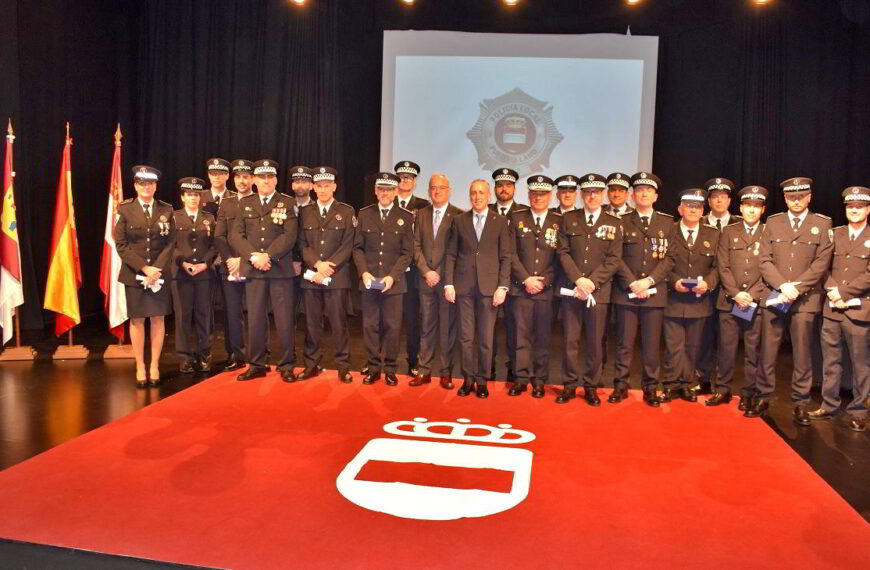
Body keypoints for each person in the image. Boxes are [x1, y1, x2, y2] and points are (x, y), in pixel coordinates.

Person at [751, 177, 833, 423]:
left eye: (801, 196)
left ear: (809, 197)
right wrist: (782, 285)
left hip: (805, 299)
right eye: (791, 197)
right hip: (776, 295)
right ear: (785, 198)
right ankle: (763, 396)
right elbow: (764, 259)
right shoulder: (773, 223)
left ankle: (800, 402)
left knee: (802, 352)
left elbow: (822, 262)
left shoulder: (822, 223)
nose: (796, 201)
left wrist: (797, 288)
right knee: (768, 350)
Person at [557, 173, 623, 405]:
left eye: (596, 192)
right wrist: (578, 279)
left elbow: (614, 259)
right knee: (570, 341)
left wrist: (591, 282)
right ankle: (569, 384)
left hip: (598, 292)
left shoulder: (615, 223)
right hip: (572, 291)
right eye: (587, 192)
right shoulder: (569, 219)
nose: (592, 196)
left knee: (595, 342)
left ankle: (591, 386)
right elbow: (562, 252)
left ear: (603, 194)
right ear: (582, 195)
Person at [229, 160, 298, 382]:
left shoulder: (287, 202)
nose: (266, 181)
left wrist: (268, 256)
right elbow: (236, 235)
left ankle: (286, 364)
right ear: (255, 180)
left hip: (278, 268)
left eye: (270, 177)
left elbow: (289, 235)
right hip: (254, 269)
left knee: (284, 319)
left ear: (276, 180)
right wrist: (253, 256)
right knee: (255, 318)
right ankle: (257, 364)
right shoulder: (245, 203)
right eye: (262, 178)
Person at [809, 186, 870, 432]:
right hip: (832, 307)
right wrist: (832, 290)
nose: (854, 211)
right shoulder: (835, 234)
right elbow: (822, 265)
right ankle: (829, 404)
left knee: (860, 363)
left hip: (858, 309)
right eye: (850, 207)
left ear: (867, 209)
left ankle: (859, 410)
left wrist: (844, 293)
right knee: (831, 360)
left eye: (859, 207)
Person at [610, 172, 674, 406]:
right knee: (624, 343)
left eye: (648, 190)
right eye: (639, 190)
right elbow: (615, 256)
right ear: (632, 195)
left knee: (651, 344)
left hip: (654, 294)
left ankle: (650, 388)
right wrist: (632, 282)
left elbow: (670, 258)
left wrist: (648, 282)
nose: (644, 194)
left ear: (656, 196)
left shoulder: (668, 223)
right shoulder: (621, 221)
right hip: (626, 292)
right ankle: (620, 385)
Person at [444, 179, 511, 398]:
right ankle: (468, 379)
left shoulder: (499, 221)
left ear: (489, 195)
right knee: (465, 337)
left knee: (485, 337)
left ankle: (482, 380)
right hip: (463, 286)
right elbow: (452, 254)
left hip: (489, 288)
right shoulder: (459, 220)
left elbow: (505, 256)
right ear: (469, 196)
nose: (478, 197)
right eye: (474, 193)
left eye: (482, 193)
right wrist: (449, 283)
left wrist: (502, 286)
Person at [114, 166, 175, 387]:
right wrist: (143, 268)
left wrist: (156, 269)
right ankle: (140, 364)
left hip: (159, 274)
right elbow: (121, 244)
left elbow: (170, 243)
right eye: (141, 183)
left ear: (156, 186)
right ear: (135, 185)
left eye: (150, 183)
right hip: (134, 274)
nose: (146, 187)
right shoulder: (125, 210)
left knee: (158, 319)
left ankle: (154, 365)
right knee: (137, 320)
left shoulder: (166, 209)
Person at [353, 172, 414, 386]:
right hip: (369, 281)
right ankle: (372, 368)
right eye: (381, 189)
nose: (385, 193)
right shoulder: (364, 214)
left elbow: (407, 253)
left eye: (389, 189)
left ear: (396, 191)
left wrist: (392, 276)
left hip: (393, 284)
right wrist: (364, 272)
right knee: (370, 326)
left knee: (392, 326)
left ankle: (389, 368)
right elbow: (357, 248)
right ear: (376, 191)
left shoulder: (405, 216)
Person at [296, 167, 356, 383]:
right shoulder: (305, 212)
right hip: (312, 275)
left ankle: (343, 366)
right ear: (314, 187)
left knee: (339, 324)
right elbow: (302, 244)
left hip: (336, 276)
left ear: (334, 187)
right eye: (319, 186)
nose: (323, 190)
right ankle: (312, 364)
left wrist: (329, 267)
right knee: (312, 325)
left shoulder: (346, 211)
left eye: (327, 186)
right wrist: (317, 264)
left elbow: (348, 244)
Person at [660, 188, 719, 403]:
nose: (693, 210)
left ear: (703, 210)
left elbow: (717, 267)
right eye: (688, 206)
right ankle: (670, 384)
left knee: (693, 347)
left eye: (697, 207)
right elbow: (662, 260)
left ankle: (685, 384)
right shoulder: (668, 230)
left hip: (699, 301)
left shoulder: (713, 234)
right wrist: (673, 281)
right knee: (673, 345)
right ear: (680, 209)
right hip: (673, 299)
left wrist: (708, 284)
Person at [506, 176, 562, 399]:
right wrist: (525, 279)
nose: (538, 198)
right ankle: (520, 379)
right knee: (520, 337)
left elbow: (560, 258)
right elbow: (510, 254)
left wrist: (544, 281)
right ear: (528, 196)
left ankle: (539, 380)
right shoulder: (517, 218)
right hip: (521, 289)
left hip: (546, 292)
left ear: (549, 196)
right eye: (535, 194)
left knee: (542, 338)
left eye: (543, 194)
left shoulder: (559, 222)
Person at [713, 186, 769, 408]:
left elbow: (769, 267)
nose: (752, 210)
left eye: (757, 206)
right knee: (726, 348)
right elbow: (722, 265)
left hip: (755, 301)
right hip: (730, 300)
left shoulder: (769, 233)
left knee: (753, 350)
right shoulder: (729, 231)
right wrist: (736, 293)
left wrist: (751, 295)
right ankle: (723, 389)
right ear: (741, 208)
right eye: (748, 206)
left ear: (763, 209)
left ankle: (748, 392)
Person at [410, 174, 462, 389]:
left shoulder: (459, 215)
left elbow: (457, 250)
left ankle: (446, 372)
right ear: (429, 190)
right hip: (426, 280)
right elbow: (415, 246)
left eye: (441, 188)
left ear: (449, 190)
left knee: (447, 328)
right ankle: (424, 370)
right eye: (433, 188)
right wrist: (426, 271)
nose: (437, 191)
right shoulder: (421, 215)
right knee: (426, 326)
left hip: (447, 281)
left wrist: (439, 273)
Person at [693, 177, 743, 395]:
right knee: (703, 338)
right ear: (709, 201)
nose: (719, 200)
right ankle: (702, 379)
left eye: (723, 196)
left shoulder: (741, 223)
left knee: (728, 341)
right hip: (703, 290)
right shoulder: (698, 221)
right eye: (714, 197)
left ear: (730, 200)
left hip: (731, 292)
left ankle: (724, 385)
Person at [171, 177, 216, 374]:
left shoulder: (209, 218)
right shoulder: (173, 217)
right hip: (182, 274)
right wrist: (183, 262)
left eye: (196, 195)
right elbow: (169, 246)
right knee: (183, 316)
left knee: (203, 315)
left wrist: (205, 264)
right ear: (182, 197)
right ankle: (185, 357)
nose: (193, 198)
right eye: (189, 194)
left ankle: (204, 355)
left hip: (204, 274)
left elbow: (215, 244)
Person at [213, 159, 254, 371]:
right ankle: (236, 355)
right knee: (232, 313)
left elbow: (260, 238)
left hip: (252, 265)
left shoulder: (259, 201)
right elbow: (219, 235)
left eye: (246, 176)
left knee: (256, 312)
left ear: (253, 179)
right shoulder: (226, 203)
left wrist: (243, 260)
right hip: (229, 266)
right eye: (238, 177)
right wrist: (230, 259)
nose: (241, 181)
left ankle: (257, 355)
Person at [394, 161, 430, 377]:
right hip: (392, 271)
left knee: (413, 320)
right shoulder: (387, 201)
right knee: (386, 319)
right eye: (401, 177)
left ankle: (413, 360)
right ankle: (380, 360)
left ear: (415, 182)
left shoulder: (424, 205)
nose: (405, 181)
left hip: (415, 272)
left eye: (409, 178)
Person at [490, 167, 522, 383]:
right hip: (489, 280)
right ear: (495, 188)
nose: (503, 189)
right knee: (487, 330)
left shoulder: (524, 213)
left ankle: (514, 371)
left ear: (514, 189)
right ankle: (487, 369)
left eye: (508, 185)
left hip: (517, 282)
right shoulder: (485, 210)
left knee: (515, 330)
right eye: (500, 185)